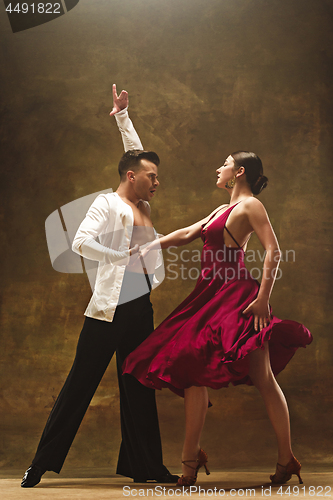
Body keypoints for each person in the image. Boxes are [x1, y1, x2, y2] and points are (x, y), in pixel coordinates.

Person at [21, 85, 179, 487]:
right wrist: (118, 256)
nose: (156, 182)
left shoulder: (142, 204)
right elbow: (79, 243)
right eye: (151, 176)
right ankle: (40, 464)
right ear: (132, 178)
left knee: (138, 386)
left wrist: (124, 118)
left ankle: (148, 468)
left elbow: (135, 154)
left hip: (141, 307)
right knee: (80, 385)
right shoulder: (107, 204)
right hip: (109, 310)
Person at [123, 151, 313, 486]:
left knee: (263, 377)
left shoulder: (251, 205)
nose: (218, 168)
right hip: (209, 295)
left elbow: (274, 250)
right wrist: (150, 246)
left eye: (224, 164)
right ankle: (191, 458)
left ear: (239, 172)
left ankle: (287, 459)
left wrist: (262, 299)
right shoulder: (221, 209)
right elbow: (187, 233)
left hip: (237, 297)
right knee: (192, 369)